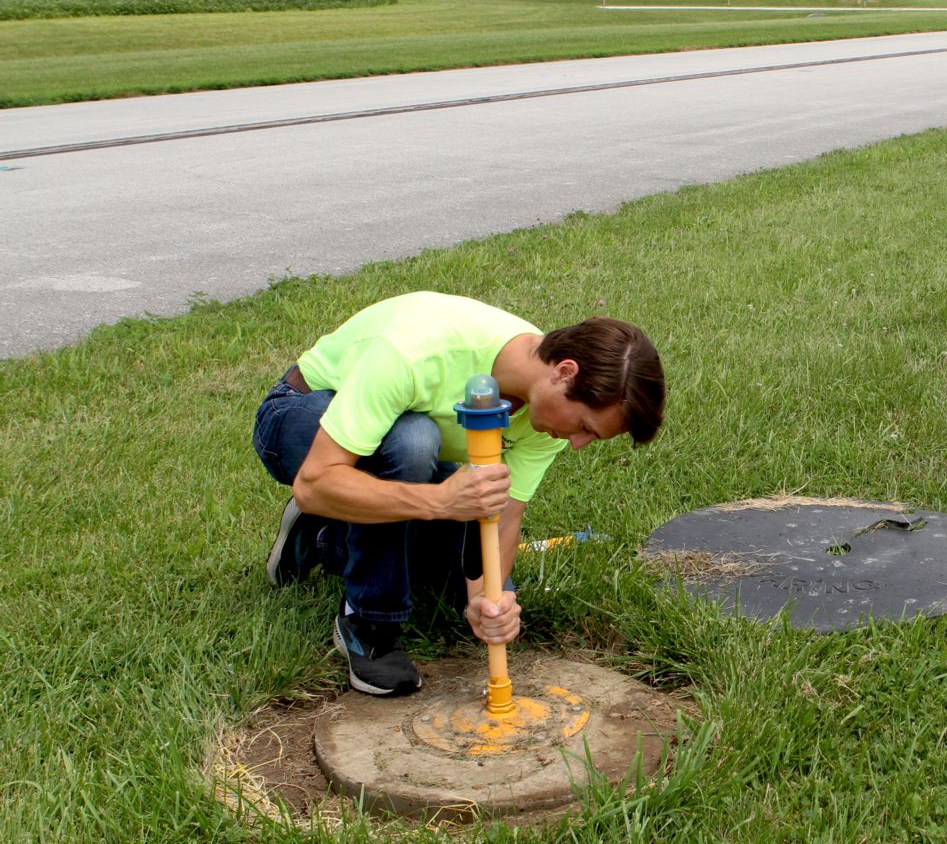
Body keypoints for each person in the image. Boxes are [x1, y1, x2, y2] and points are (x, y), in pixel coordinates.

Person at [251, 291, 665, 696]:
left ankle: (326, 535)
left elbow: (502, 514)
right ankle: (368, 624)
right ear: (565, 373)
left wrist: (489, 603)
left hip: (390, 457)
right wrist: (440, 502)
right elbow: (314, 483)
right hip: (301, 415)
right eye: (585, 428)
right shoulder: (417, 351)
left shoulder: (545, 410)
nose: (578, 444)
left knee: (447, 565)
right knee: (412, 442)